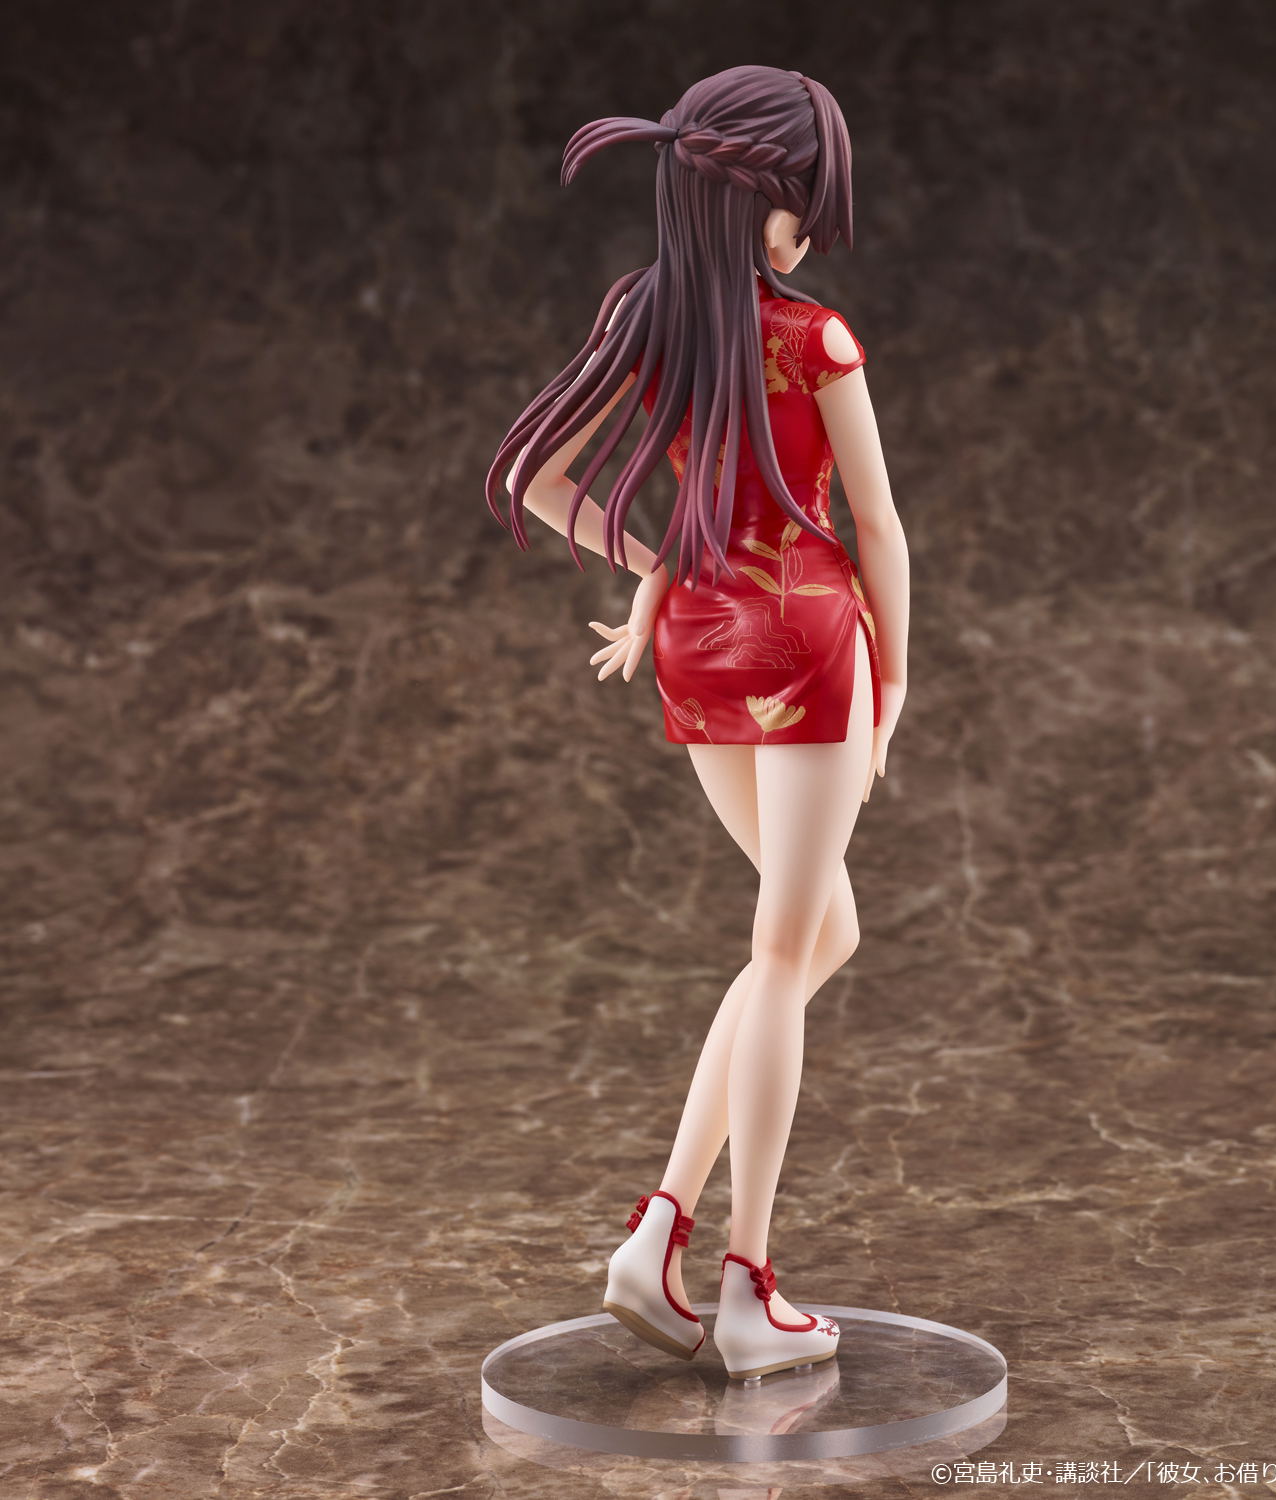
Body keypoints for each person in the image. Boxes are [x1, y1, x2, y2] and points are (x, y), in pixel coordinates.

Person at [485, 64, 909, 1381]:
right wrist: (895, 683)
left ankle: (655, 1235)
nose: (806, 234)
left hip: (698, 644)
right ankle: (746, 1285)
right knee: (785, 953)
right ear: (757, 198)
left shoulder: (646, 312)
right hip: (807, 636)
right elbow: (877, 526)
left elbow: (532, 474)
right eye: (799, 206)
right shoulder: (813, 339)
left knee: (819, 932)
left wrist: (662, 565)